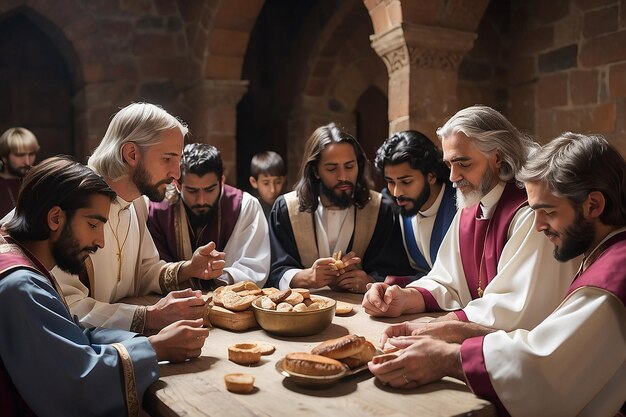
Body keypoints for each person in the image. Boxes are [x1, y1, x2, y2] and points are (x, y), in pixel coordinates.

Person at [369, 133, 626, 417]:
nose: (538, 226)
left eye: (548, 212)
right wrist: (457, 330)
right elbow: (545, 342)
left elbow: (544, 368)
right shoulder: (606, 253)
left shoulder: (614, 275)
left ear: (593, 205)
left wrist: (445, 358)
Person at [0, 156, 208, 416]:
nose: (100, 242)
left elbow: (70, 336)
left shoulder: (15, 253)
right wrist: (155, 348)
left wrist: (147, 338)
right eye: (93, 224)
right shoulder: (20, 286)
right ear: (55, 218)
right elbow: (76, 386)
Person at [363, 105, 578, 333]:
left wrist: (443, 326)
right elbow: (447, 281)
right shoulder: (471, 208)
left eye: (463, 164)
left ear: (498, 157)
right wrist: (404, 297)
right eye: (449, 165)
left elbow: (515, 307)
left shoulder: (531, 214)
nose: (453, 178)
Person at [52, 102, 226, 333]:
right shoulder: (73, 205)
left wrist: (188, 269)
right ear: (131, 153)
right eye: (167, 159)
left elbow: (144, 271)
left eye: (178, 161)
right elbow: (66, 307)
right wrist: (149, 317)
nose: (176, 174)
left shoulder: (138, 203)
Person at [267, 122, 413, 292]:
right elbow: (273, 269)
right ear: (315, 171)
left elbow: (394, 269)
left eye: (350, 166)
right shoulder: (286, 209)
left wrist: (369, 280)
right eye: (331, 169)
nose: (343, 176)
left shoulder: (380, 209)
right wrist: (306, 277)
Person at [148, 143, 270, 288]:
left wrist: (216, 276)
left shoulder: (246, 206)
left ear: (222, 182)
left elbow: (253, 268)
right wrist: (188, 271)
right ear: (177, 185)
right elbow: (149, 271)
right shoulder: (157, 210)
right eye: (192, 191)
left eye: (210, 190)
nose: (201, 200)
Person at [374, 130, 456, 286]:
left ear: (431, 176)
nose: (397, 193)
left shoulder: (460, 206)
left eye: (406, 182)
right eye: (390, 182)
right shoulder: (398, 206)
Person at [0, 127, 39, 217]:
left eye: (31, 154)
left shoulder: (36, 183)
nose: (27, 161)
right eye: (20, 155)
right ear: (4, 156)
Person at [248, 150, 286, 219]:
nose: (272, 190)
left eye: (278, 182)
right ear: (254, 182)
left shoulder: (287, 205)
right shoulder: (249, 210)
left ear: (283, 179)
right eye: (266, 183)